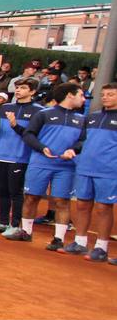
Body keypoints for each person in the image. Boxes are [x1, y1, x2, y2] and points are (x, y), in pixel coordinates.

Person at [9, 83, 87, 249]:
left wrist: (73, 150)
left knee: (62, 201)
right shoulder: (44, 114)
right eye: (81, 95)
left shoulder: (81, 119)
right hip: (40, 163)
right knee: (31, 197)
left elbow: (83, 141)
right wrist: (41, 148)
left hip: (66, 166)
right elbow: (29, 135)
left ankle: (58, 239)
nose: (84, 99)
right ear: (70, 95)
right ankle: (26, 232)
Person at [0, 78, 42, 237]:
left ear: (32, 91)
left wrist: (15, 125)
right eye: (17, 87)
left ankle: (15, 225)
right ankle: (3, 222)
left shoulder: (38, 111)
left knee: (16, 192)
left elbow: (31, 136)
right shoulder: (6, 107)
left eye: (23, 88)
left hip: (20, 157)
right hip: (0, 155)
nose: (18, 90)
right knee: (2, 191)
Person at [66, 82, 117, 261]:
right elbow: (83, 140)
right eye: (103, 95)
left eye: (110, 94)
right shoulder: (92, 117)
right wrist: (74, 150)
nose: (105, 98)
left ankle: (101, 248)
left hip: (109, 170)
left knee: (103, 207)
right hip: (85, 167)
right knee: (82, 204)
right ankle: (80, 242)